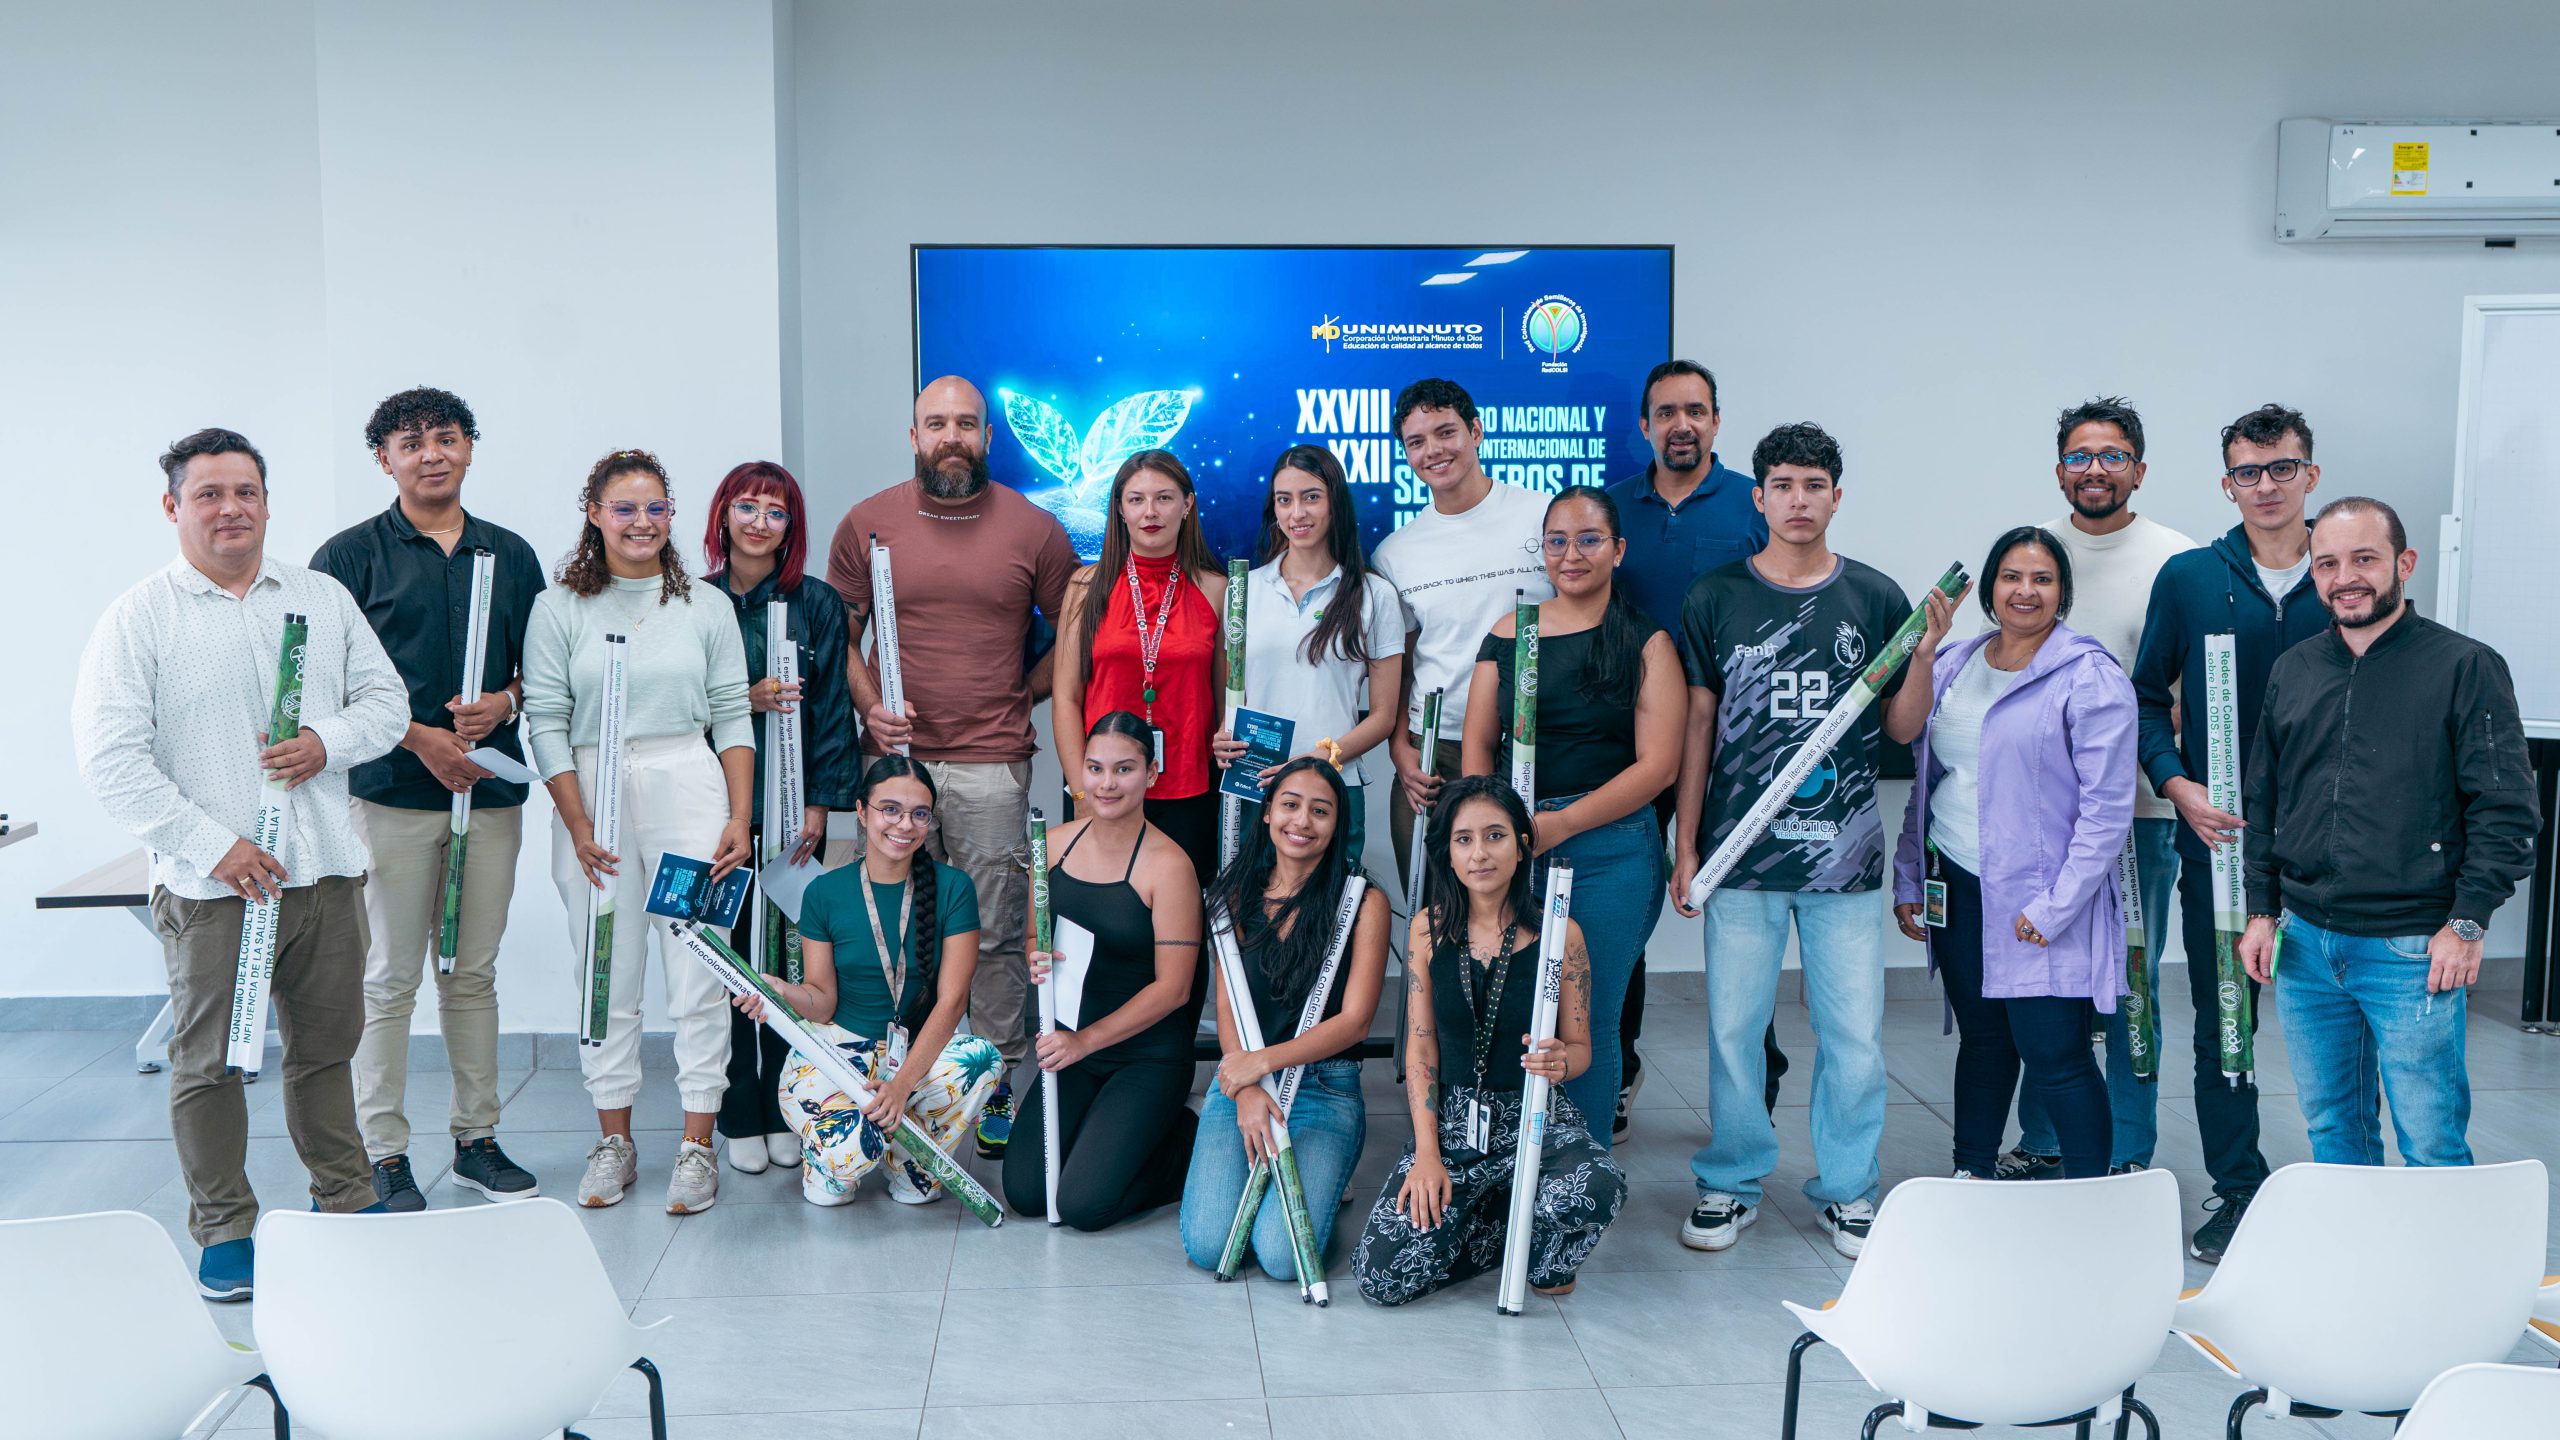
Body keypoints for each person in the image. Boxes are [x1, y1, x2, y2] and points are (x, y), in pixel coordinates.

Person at [73, 428, 410, 1300]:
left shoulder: (321, 597)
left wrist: (325, 741)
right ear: (173, 506)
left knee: (327, 1051)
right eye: (210, 493)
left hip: (325, 872)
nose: (232, 508)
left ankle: (346, 1198)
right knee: (209, 1063)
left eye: (246, 491)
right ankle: (225, 1230)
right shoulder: (140, 617)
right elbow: (111, 760)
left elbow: (387, 703)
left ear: (266, 501)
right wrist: (212, 846)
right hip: (214, 887)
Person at [1673, 421, 1917, 1261]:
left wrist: (1928, 649)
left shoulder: (1876, 597)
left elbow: (1904, 727)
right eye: (1783, 486)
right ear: (1759, 497)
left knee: (1854, 1037)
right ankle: (1730, 1180)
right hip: (1740, 855)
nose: (1799, 501)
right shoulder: (1715, 597)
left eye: (1814, 486)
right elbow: (1698, 726)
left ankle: (1848, 1189)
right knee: (1734, 1031)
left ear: (1836, 497)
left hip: (1844, 858)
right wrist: (1687, 846)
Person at [2239, 498, 2537, 1167]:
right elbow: (2265, 800)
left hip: (2412, 949)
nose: (2345, 577)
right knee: (2333, 1133)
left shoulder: (2465, 667)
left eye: (2364, 559)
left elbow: (2506, 810)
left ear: (2404, 564)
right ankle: (2358, 1243)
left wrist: (2467, 922)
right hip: (2305, 947)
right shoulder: (2295, 669)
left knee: (2431, 1145)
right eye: (2327, 564)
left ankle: (2441, 1246)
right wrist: (2261, 910)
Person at [829, 375, 1079, 1164]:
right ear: (914, 437)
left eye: (966, 424)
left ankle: (993, 1080)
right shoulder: (868, 523)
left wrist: (1021, 694)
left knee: (997, 930)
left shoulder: (1034, 529)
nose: (951, 437)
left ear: (987, 436)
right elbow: (838, 636)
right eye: (935, 424)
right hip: (893, 765)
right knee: (893, 926)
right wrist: (871, 705)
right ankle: (894, 1077)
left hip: (990, 764)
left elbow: (1072, 635)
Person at [309, 387, 545, 1213]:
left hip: (490, 791)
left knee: (471, 973)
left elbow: (541, 670)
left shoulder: (509, 555)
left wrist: (503, 704)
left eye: (446, 438)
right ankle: (382, 1154)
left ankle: (477, 1141)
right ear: (385, 460)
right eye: (411, 444)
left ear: (469, 448)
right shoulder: (347, 559)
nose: (431, 454)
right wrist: (419, 738)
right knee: (388, 980)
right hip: (392, 796)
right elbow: (326, 685)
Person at [522, 449, 753, 1215]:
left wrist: (738, 816)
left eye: (656, 507)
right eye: (624, 508)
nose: (641, 522)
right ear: (594, 514)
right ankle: (614, 1142)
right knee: (606, 973)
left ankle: (696, 1146)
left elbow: (733, 715)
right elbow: (545, 719)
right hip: (594, 794)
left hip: (686, 785)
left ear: (672, 514)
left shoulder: (705, 606)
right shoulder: (559, 608)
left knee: (698, 970)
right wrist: (577, 821)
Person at [2128, 402, 2328, 1262]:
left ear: (2310, 474)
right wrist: (2177, 787)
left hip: (2339, 852)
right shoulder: (2189, 578)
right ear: (2227, 484)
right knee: (2226, 1023)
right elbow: (2146, 698)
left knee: (2344, 1022)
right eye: (2249, 471)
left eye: (2282, 468)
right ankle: (2238, 1189)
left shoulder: (2347, 570)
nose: (2266, 485)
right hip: (2223, 846)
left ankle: (2351, 1183)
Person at [1892, 528, 2136, 1180]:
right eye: (2012, 577)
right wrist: (1910, 875)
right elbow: (1926, 775)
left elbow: (2106, 813)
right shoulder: (1954, 662)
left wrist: (2056, 908)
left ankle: (2091, 1198)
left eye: (2042, 579)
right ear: (1990, 588)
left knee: (2057, 1056)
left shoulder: (2089, 677)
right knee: (1983, 1040)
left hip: (2042, 898)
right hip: (1957, 884)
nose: (2025, 591)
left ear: (2063, 593)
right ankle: (1970, 1177)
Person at [2002, 397, 2198, 1181]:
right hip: (2041, 819)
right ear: (2060, 470)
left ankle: (2125, 1152)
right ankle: (2045, 1141)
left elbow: (2187, 692)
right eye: (2080, 456)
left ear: (2138, 471)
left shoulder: (2177, 561)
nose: (2095, 469)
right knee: (2047, 980)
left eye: (2112, 456)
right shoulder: (2033, 555)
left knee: (2128, 983)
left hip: (2139, 812)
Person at [1461, 485, 1680, 1146]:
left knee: (1588, 1018)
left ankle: (1581, 1169)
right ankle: (1508, 1157)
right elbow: (1478, 747)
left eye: (1588, 540)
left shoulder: (1646, 642)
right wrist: (1491, 831)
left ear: (1618, 549)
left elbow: (1657, 766)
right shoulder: (1509, 633)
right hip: (1513, 847)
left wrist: (1561, 825)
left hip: (1611, 850)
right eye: (1557, 541)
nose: (1571, 554)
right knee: (1509, 1011)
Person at [1353, 776, 1625, 1305]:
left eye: (1495, 835)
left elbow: (1581, 1049)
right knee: (1380, 1277)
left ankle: (1536, 1245)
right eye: (1464, 839)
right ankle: (1504, 1229)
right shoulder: (1427, 930)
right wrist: (1427, 1153)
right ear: (1448, 855)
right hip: (1455, 1125)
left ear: (1522, 847)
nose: (1480, 853)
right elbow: (1421, 1048)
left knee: (1595, 1188)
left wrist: (1560, 1063)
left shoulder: (1559, 933)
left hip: (1536, 1118)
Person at [1604, 360, 1772, 1137]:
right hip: (1630, 742)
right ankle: (1615, 1068)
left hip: (1734, 747)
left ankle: (1755, 1086)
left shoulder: (1754, 503)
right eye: (1666, 412)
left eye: (1695, 411)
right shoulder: (1611, 507)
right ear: (1645, 426)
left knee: (1745, 917)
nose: (1682, 425)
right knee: (1622, 911)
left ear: (1716, 421)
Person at [728, 758, 1004, 1204]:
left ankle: (910, 1165)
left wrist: (900, 1086)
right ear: (861, 811)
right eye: (889, 809)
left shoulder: (954, 887)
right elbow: (821, 1001)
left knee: (982, 1058)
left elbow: (952, 1003)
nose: (904, 825)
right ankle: (848, 1158)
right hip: (840, 1049)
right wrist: (780, 992)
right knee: (847, 1162)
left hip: (915, 1052)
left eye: (918, 814)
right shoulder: (825, 891)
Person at [1177, 758, 1391, 1281]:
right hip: (1244, 1081)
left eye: (1320, 811)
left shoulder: (1363, 902)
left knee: (1280, 1256)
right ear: (1269, 812)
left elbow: (1355, 1022)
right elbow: (1228, 1006)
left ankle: (1327, 1176)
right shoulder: (1230, 894)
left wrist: (1261, 1063)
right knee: (1209, 1245)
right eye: (1290, 805)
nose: (1302, 821)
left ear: (1337, 824)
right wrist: (1247, 1087)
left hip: (1324, 1086)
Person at [705, 461, 858, 1179]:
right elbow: (673, 703)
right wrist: (746, 697)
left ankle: (784, 1103)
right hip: (718, 807)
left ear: (791, 527)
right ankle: (739, 1106)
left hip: (795, 812)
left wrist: (819, 805)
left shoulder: (817, 602)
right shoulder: (696, 601)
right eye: (747, 507)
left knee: (793, 959)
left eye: (776, 512)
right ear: (723, 516)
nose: (759, 523)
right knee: (729, 952)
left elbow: (832, 710)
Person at [1002, 712, 1205, 1229]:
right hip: (1073, 1049)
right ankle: (1111, 1137)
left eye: (1124, 769)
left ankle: (1187, 1135)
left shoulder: (1170, 866)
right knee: (1026, 1192)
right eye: (1095, 768)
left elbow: (1175, 989)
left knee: (1082, 1206)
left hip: (1146, 1055)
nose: (1106, 784)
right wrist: (1035, 955)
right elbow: (1035, 936)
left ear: (1151, 774)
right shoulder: (1052, 845)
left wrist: (1084, 1041)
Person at [1370, 378, 1553, 883]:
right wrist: (1399, 749)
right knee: (1434, 905)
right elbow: (1401, 664)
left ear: (1475, 431)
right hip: (1439, 751)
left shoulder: (1543, 516)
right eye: (1416, 442)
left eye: (1445, 432)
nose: (1433, 451)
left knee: (1528, 902)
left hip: (1534, 739)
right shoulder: (1395, 553)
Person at [1210, 445, 1405, 861]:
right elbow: (1235, 695)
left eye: (1311, 497)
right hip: (1255, 784)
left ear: (1335, 502)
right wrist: (1223, 735)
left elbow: (1384, 717)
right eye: (1284, 500)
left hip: (1330, 787)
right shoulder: (1245, 589)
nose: (1297, 513)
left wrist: (1322, 757)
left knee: (1332, 902)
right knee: (1251, 899)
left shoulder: (1374, 595)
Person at [1052, 449, 1230, 884]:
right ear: (1120, 508)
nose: (1150, 512)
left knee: (1179, 910)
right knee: (1101, 909)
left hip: (1187, 789)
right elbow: (1066, 698)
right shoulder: (1086, 586)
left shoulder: (1216, 589)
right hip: (1103, 788)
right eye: (1136, 499)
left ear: (1187, 505)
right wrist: (1082, 791)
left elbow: (1226, 702)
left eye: (1164, 498)